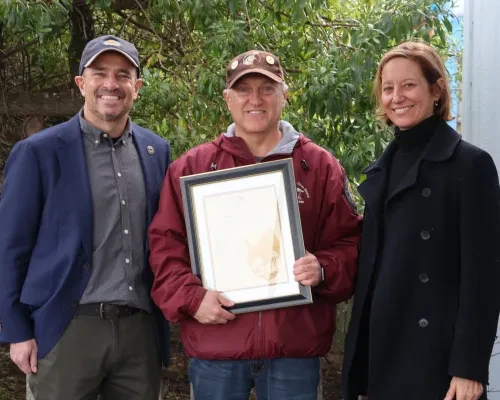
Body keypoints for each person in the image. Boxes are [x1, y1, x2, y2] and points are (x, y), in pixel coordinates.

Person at [148, 49, 362, 399]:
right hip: (217, 346)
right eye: (243, 90)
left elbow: (350, 243)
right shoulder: (194, 167)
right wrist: (192, 298)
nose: (255, 100)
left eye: (267, 88)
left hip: (293, 348)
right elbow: (164, 246)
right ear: (227, 99)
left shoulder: (319, 166)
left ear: (284, 95)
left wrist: (323, 268)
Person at [0, 35, 171, 400]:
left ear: (137, 87)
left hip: (139, 332)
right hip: (65, 328)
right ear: (81, 83)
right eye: (99, 73)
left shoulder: (157, 151)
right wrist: (16, 330)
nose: (111, 84)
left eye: (123, 74)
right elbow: (9, 247)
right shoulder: (38, 153)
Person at [341, 41, 500, 400]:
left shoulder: (470, 165)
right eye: (387, 87)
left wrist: (469, 367)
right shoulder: (383, 168)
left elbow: (484, 279)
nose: (397, 96)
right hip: (380, 352)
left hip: (437, 362)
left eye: (409, 85)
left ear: (436, 89)